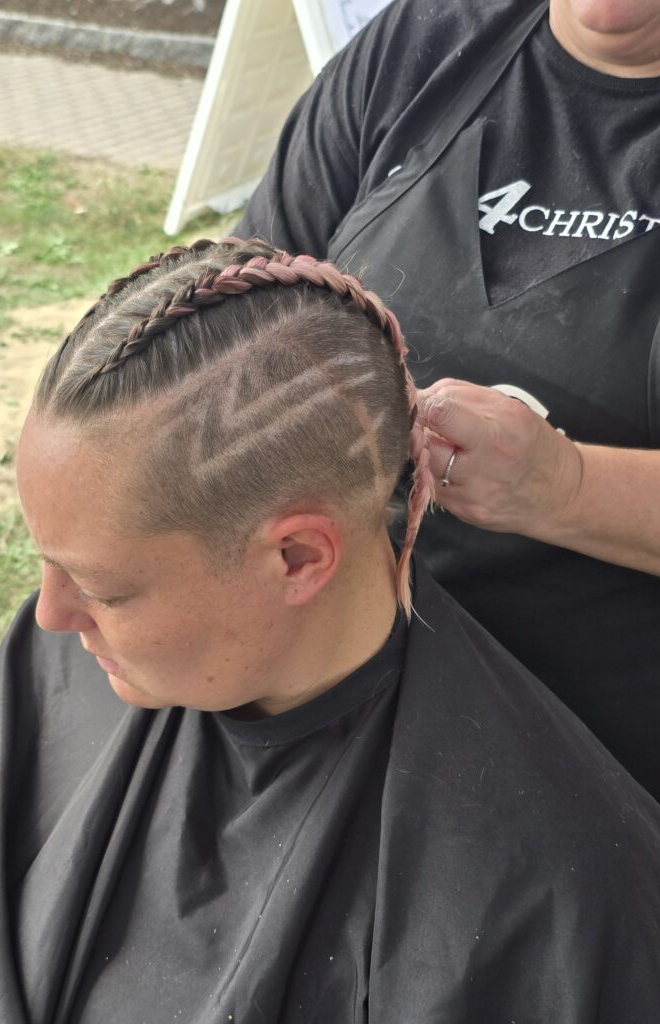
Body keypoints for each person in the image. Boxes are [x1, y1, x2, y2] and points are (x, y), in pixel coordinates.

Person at [0, 238, 659, 1023]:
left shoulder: (551, 890)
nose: (49, 614)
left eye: (102, 588)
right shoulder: (57, 660)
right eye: (51, 564)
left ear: (297, 558)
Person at [235, 0, 660, 800]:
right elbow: (243, 290)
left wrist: (563, 489)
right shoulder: (424, 42)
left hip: (606, 773)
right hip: (342, 700)